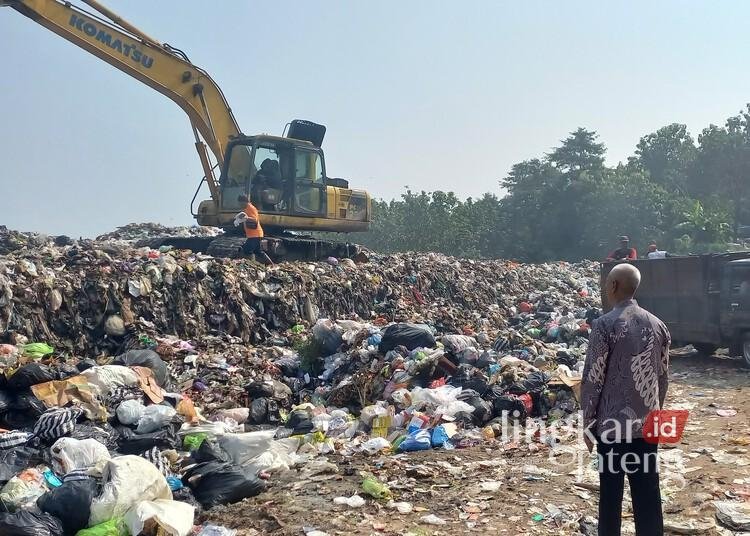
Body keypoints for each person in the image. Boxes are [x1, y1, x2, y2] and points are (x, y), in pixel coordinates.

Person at [581, 263, 670, 536]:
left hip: (611, 428)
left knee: (610, 495)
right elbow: (662, 378)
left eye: (608, 283)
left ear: (615, 286)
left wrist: (587, 421)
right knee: (648, 495)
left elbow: (593, 378)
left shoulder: (604, 324)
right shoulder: (658, 325)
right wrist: (656, 414)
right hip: (647, 427)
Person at [237, 195, 273, 264]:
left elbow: (254, 220)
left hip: (254, 235)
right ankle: (272, 265)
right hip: (254, 234)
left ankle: (250, 265)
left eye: (240, 203)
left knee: (246, 250)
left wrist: (245, 218)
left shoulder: (250, 208)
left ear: (244, 202)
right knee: (258, 252)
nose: (239, 205)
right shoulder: (247, 209)